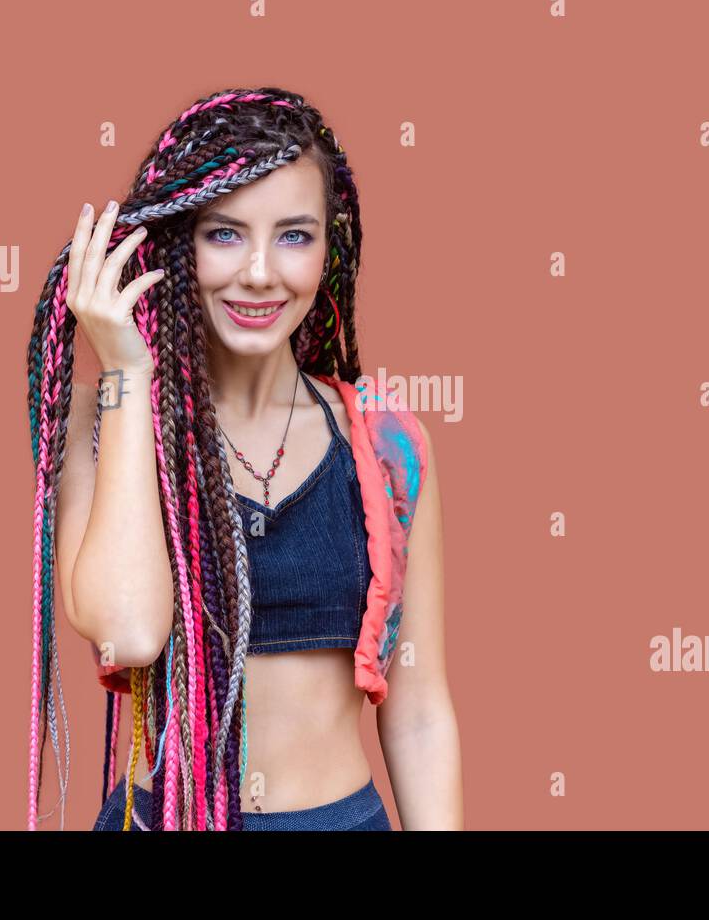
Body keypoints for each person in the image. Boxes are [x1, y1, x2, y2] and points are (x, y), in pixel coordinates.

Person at [24, 87, 461, 831]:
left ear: (333, 245)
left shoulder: (387, 444)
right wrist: (128, 372)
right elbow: (128, 632)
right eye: (224, 235)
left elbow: (418, 713)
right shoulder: (99, 428)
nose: (259, 273)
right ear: (171, 244)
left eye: (294, 236)